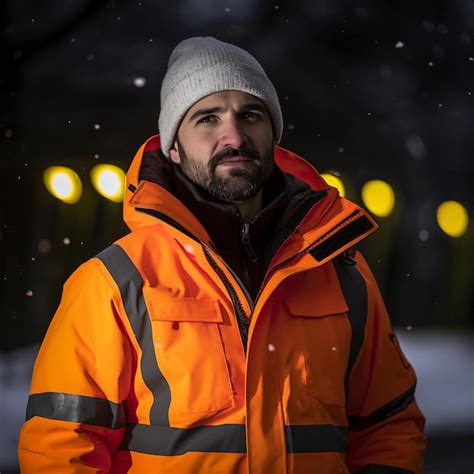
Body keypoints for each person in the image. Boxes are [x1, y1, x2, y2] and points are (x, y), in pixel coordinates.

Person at [18, 37, 425, 473]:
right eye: (207, 118)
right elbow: (60, 449)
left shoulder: (340, 271)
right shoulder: (116, 280)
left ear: (274, 135)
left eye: (250, 115)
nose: (233, 136)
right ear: (173, 147)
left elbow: (389, 428)